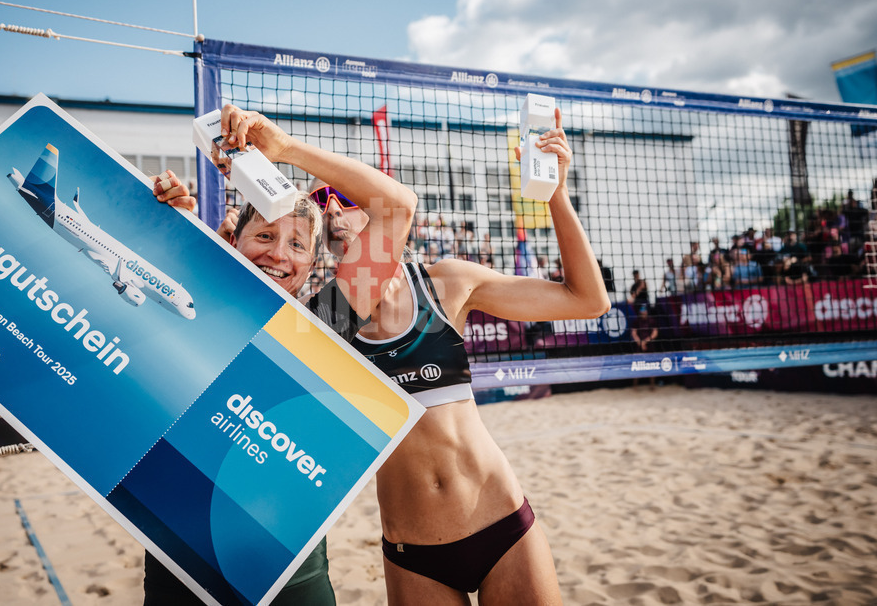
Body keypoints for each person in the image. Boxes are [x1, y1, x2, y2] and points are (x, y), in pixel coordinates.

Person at [310, 107, 608, 604]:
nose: (335, 213)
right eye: (324, 205)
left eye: (345, 198)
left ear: (378, 208)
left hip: (501, 525)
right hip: (413, 553)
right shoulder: (327, 320)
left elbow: (587, 300)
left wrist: (556, 194)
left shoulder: (446, 283)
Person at [145, 104, 417, 606]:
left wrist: (286, 149)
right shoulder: (183, 308)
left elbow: (399, 207)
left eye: (297, 244)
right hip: (178, 571)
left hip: (291, 577)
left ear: (312, 263)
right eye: (265, 236)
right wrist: (169, 231)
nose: (279, 254)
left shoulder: (323, 324)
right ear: (233, 239)